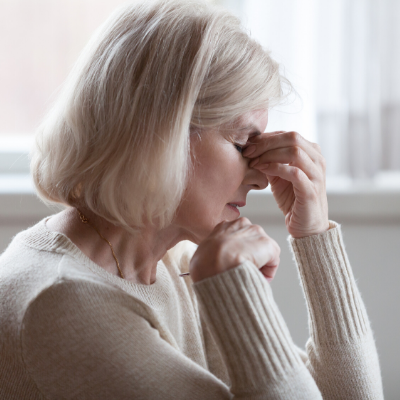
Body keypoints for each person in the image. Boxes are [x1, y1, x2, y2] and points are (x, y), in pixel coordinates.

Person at [0, 0, 384, 399]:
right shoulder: (61, 304)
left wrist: (315, 236)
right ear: (162, 135)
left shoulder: (174, 262)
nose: (262, 177)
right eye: (241, 142)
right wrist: (235, 292)